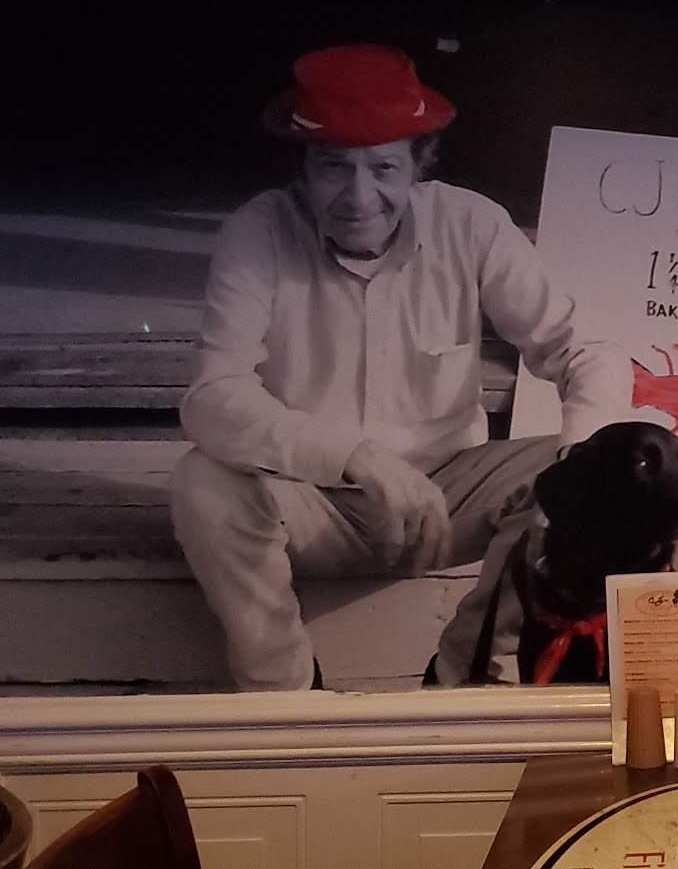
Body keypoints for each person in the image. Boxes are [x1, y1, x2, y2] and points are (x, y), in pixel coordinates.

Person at [169, 43, 629, 691]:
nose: (360, 197)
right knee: (203, 485)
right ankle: (285, 699)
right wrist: (357, 458)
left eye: (383, 167)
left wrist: (579, 466)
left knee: (588, 472)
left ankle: (463, 672)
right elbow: (213, 396)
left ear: (420, 162)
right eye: (334, 167)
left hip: (447, 503)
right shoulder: (260, 232)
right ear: (303, 167)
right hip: (311, 502)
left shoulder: (471, 224)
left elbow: (586, 351)